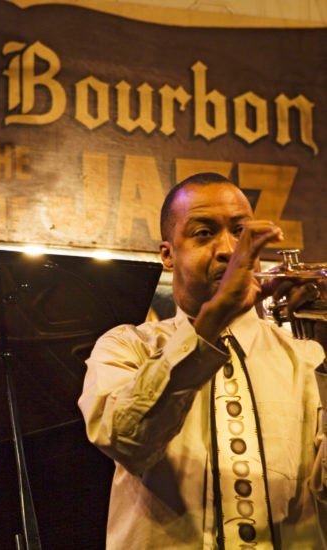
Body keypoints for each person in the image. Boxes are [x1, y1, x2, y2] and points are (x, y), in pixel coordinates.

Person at [78, 172, 327, 549]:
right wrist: (214, 317)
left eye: (241, 232)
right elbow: (128, 441)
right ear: (168, 254)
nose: (229, 250)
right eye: (204, 233)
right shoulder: (127, 347)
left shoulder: (305, 357)